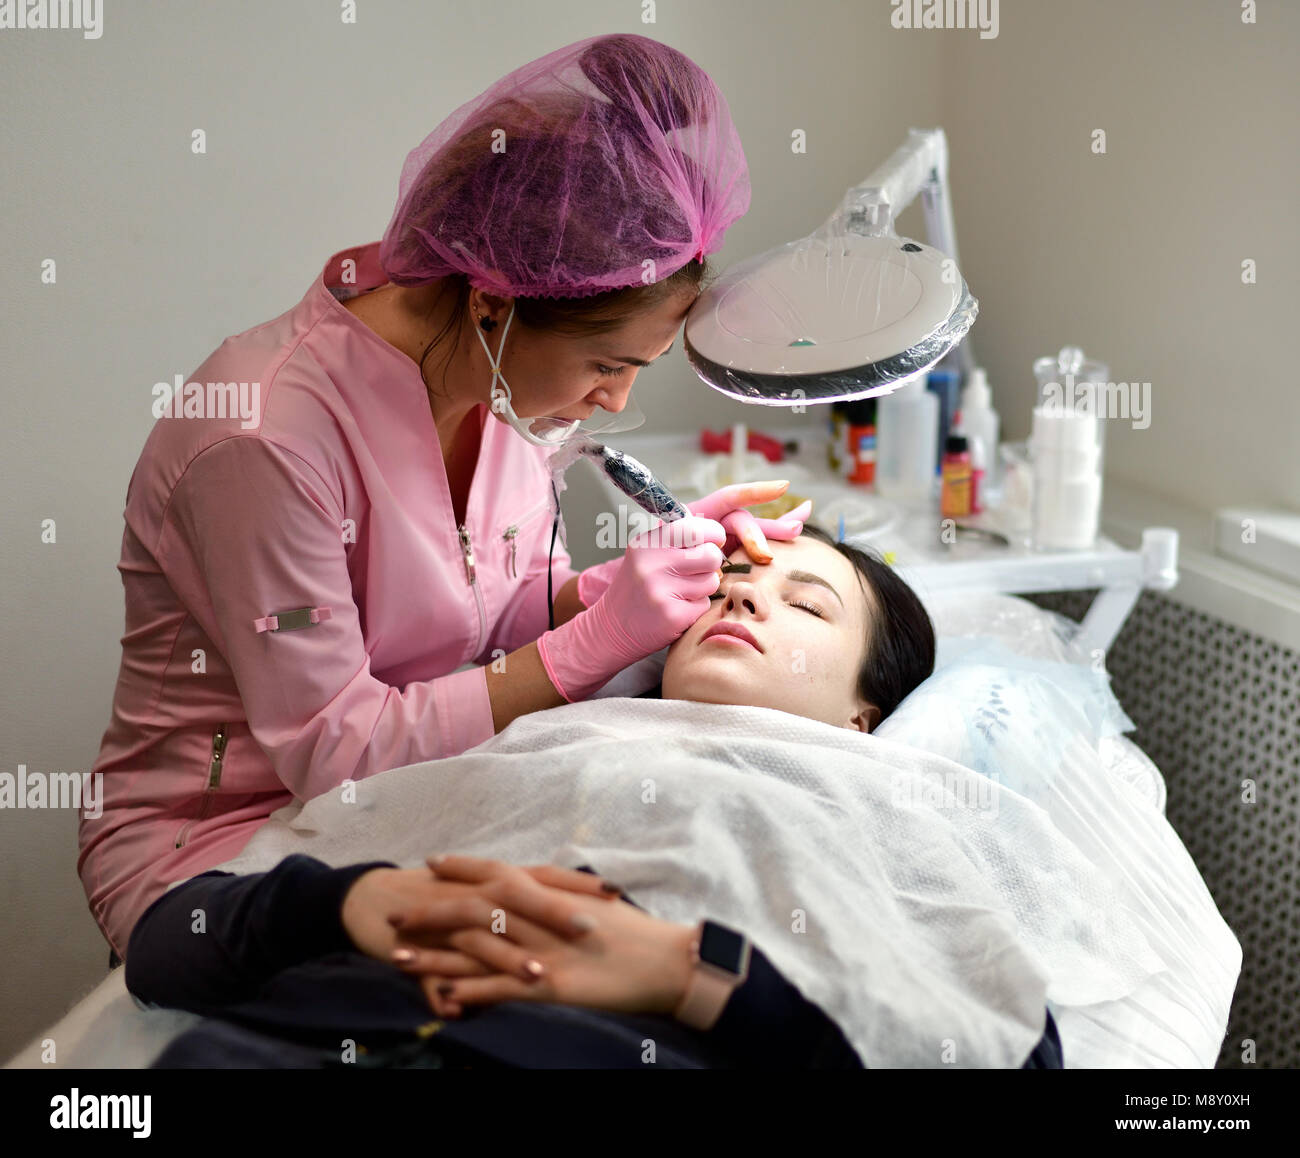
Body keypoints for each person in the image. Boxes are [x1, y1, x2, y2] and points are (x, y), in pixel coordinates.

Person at [80, 33, 811, 964]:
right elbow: (334, 755)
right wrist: (596, 641)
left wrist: (613, 591)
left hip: (424, 799)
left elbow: (484, 609)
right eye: (606, 365)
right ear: (493, 303)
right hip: (224, 852)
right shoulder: (262, 442)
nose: (615, 401)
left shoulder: (493, 379)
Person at [125, 530, 1064, 1068]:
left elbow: (1005, 1052)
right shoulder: (533, 741)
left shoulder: (882, 806)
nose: (741, 602)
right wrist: (349, 900)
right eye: (728, 585)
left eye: (807, 606)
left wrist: (693, 975)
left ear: (868, 713)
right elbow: (169, 948)